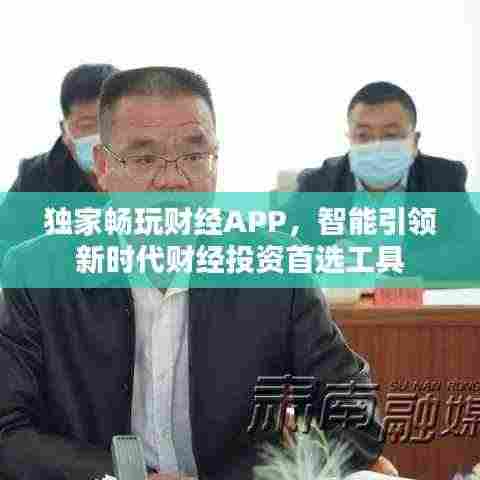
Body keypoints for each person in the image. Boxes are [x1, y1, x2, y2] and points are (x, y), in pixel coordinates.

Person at [0, 67, 384, 480]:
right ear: (103, 166)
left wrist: (293, 468)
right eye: (145, 158)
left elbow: (354, 414)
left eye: (194, 156)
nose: (173, 180)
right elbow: (7, 430)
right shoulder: (37, 273)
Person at [0, 63, 118, 269]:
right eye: (88, 126)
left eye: (111, 123)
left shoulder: (158, 170)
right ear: (65, 131)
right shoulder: (35, 178)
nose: (101, 137)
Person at [297, 81, 467, 193]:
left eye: (390, 136)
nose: (376, 146)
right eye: (363, 135)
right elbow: (284, 234)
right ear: (350, 138)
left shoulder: (445, 179)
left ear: (414, 142)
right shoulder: (317, 184)